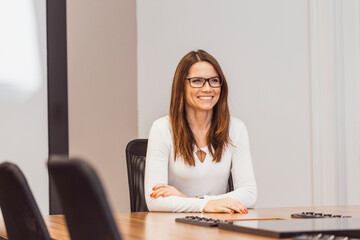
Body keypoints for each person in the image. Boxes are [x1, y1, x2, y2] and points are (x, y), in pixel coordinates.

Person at [144, 50, 257, 213]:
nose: (207, 88)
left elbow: (249, 194)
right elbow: (154, 201)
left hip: (219, 226)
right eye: (197, 81)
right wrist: (205, 206)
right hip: (173, 230)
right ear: (181, 86)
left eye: (214, 81)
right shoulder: (161, 129)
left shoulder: (236, 128)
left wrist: (192, 200)